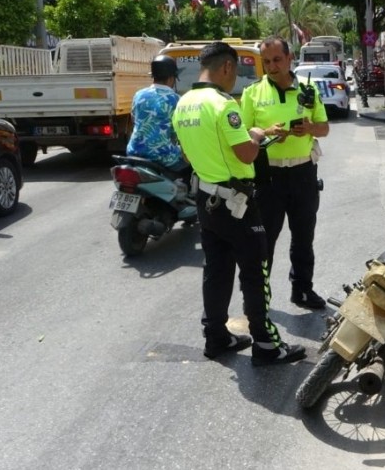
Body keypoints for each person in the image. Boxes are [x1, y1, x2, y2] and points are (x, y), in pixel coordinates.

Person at [171, 41, 306, 366]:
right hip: (237, 201)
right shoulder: (223, 104)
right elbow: (246, 153)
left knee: (216, 269)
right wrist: (256, 135)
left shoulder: (183, 104)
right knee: (255, 269)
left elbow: (188, 155)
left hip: (207, 198)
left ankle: (215, 336)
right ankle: (266, 344)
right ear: (227, 67)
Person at [241, 36, 331, 311]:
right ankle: (256, 298)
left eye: (277, 59)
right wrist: (267, 133)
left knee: (304, 238)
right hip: (269, 177)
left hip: (304, 172)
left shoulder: (309, 89)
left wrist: (309, 129)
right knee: (263, 241)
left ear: (290, 58)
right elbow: (243, 136)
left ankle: (302, 290)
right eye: (266, 61)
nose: (271, 66)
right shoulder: (252, 93)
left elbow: (324, 128)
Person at [126, 55, 191, 185]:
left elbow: (134, 121)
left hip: (134, 152)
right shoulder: (176, 100)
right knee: (193, 168)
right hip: (163, 156)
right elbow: (180, 131)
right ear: (172, 78)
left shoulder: (139, 95)